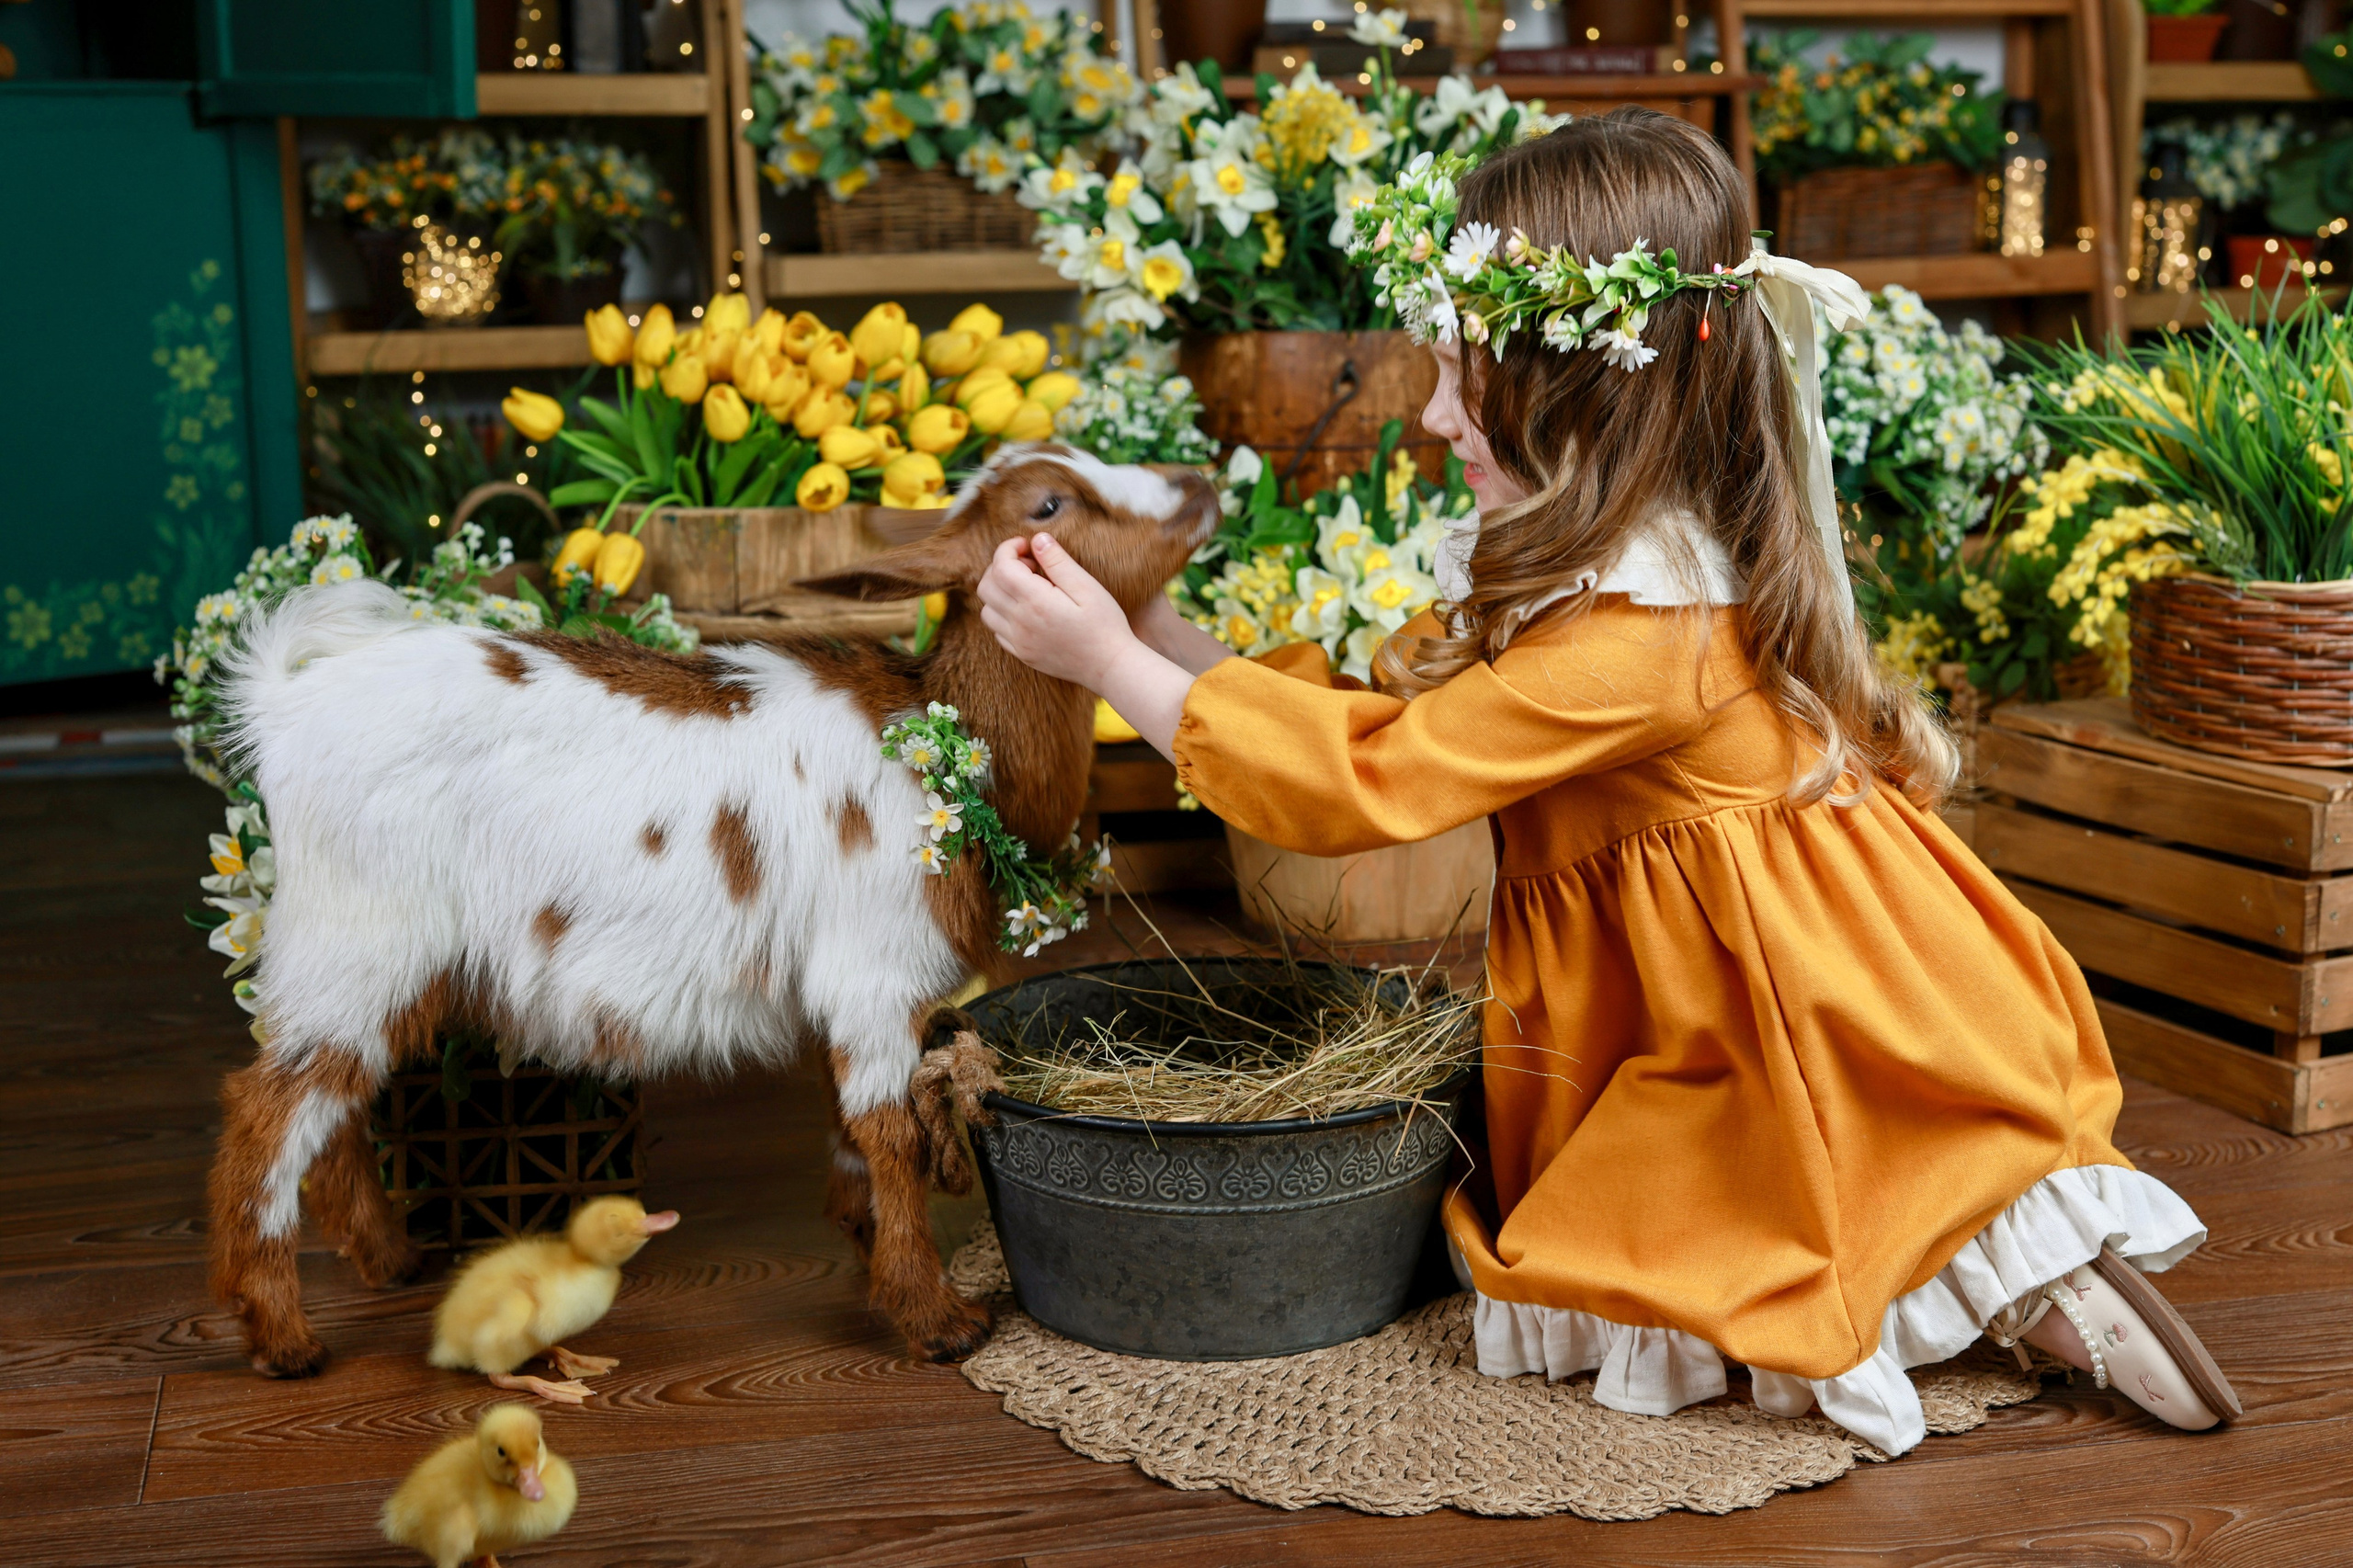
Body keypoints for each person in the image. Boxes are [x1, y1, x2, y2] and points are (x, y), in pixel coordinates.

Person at [974, 109, 2238, 1455]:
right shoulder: (1606, 560)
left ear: (1584, 388)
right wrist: (1152, 634)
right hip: (1711, 962)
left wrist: (1110, 661)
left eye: (1466, 376)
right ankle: (1999, 1265)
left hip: (1770, 994)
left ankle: (2039, 1294)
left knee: (1789, 1212)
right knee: (1776, 1190)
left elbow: (1372, 786)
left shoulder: (1642, 632)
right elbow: (1384, 718)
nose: (1432, 410)